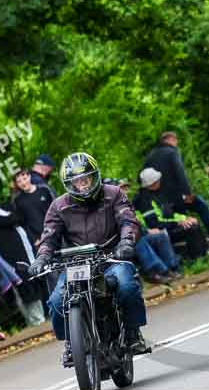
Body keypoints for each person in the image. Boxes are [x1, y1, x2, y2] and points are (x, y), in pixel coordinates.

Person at [29, 152, 149, 365]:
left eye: (86, 179)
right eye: (76, 181)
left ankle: (132, 334)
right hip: (76, 264)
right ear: (68, 183)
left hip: (111, 257)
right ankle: (70, 344)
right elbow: (49, 237)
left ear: (95, 176)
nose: (82, 185)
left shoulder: (113, 194)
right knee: (57, 301)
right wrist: (42, 258)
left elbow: (128, 221)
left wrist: (126, 243)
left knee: (127, 286)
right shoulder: (58, 206)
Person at [0, 187, 46, 327]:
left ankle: (42, 318)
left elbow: (19, 216)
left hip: (26, 253)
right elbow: (12, 219)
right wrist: (13, 217)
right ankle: (36, 322)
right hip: (11, 259)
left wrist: (13, 217)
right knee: (26, 289)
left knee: (35, 284)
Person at [142, 131, 209, 237]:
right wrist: (187, 193)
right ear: (170, 139)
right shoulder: (172, 152)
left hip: (160, 200)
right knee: (201, 206)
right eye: (175, 140)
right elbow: (180, 173)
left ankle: (188, 245)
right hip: (177, 195)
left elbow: (142, 176)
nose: (177, 142)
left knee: (179, 219)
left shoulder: (150, 156)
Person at [105, 179, 180, 285]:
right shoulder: (108, 209)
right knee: (139, 241)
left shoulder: (126, 205)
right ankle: (156, 272)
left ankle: (173, 268)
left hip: (137, 236)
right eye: (122, 188)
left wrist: (147, 231)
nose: (125, 190)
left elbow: (136, 224)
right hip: (120, 244)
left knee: (160, 236)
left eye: (125, 188)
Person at [134, 167, 208, 260]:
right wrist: (177, 223)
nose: (160, 180)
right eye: (158, 179)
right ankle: (196, 258)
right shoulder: (143, 200)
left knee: (193, 223)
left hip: (168, 227)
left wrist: (185, 218)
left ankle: (203, 255)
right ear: (153, 182)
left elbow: (170, 214)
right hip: (159, 232)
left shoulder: (157, 194)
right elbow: (154, 224)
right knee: (191, 228)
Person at [12, 169, 54, 246]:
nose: (23, 183)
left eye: (24, 179)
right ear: (17, 184)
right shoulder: (18, 200)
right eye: (19, 181)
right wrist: (34, 239)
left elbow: (56, 211)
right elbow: (23, 223)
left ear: (29, 177)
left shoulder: (44, 190)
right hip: (40, 239)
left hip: (55, 231)